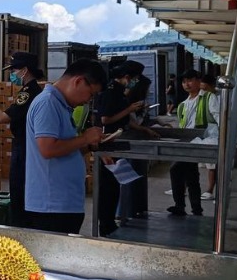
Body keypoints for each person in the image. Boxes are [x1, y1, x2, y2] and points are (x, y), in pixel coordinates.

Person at [24, 59, 108, 234]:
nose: (88, 101)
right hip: (51, 206)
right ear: (78, 81)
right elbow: (48, 149)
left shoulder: (62, 105)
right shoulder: (47, 103)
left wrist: (90, 146)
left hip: (65, 204)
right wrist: (85, 138)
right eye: (90, 94)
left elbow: (65, 148)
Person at [0, 51, 46, 227]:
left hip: (25, 149)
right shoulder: (33, 91)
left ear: (25, 70)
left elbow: (1, 118)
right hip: (28, 148)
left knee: (19, 195)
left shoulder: (28, 93)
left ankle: (21, 230)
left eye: (14, 70)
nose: (12, 74)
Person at [93, 62, 157, 236]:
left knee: (114, 187)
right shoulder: (110, 91)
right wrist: (129, 108)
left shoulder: (119, 92)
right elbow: (106, 119)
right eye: (134, 79)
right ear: (127, 77)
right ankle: (105, 225)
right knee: (107, 188)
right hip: (107, 143)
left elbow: (125, 119)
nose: (135, 82)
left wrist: (144, 129)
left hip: (117, 142)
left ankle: (111, 222)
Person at [167, 69, 213, 217]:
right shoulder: (182, 105)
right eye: (183, 81)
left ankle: (181, 205)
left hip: (202, 141)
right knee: (191, 175)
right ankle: (195, 209)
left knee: (176, 170)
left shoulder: (208, 98)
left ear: (199, 81)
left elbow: (217, 118)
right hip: (187, 142)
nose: (186, 84)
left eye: (190, 80)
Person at [199, 73, 221, 200]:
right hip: (211, 131)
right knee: (211, 163)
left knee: (212, 163)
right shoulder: (209, 95)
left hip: (216, 132)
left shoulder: (213, 96)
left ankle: (211, 190)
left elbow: (218, 115)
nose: (203, 91)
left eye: (205, 88)